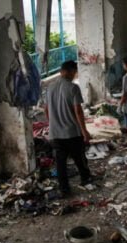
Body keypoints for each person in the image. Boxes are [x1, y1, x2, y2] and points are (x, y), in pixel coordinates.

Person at [45, 60, 93, 196]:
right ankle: (85, 179)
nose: (74, 75)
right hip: (72, 132)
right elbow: (78, 111)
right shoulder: (73, 88)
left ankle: (64, 189)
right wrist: (84, 131)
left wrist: (52, 124)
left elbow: (46, 109)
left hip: (56, 134)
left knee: (61, 163)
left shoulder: (50, 87)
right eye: (74, 72)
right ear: (70, 71)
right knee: (79, 158)